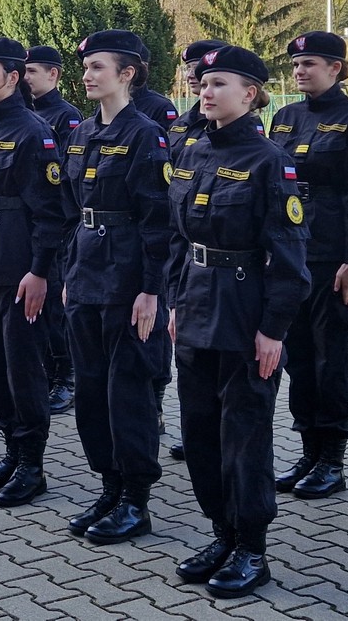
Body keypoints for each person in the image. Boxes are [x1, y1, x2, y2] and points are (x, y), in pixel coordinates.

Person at [166, 44, 309, 598]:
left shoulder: (270, 161)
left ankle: (252, 547)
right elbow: (179, 240)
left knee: (243, 435)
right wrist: (176, 302)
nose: (206, 90)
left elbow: (292, 259)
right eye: (203, 83)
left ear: (250, 94)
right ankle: (221, 532)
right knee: (199, 431)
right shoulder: (195, 150)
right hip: (197, 304)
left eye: (219, 83)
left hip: (245, 308)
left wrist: (273, 329)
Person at [60, 30, 172, 545]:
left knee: (126, 390)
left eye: (99, 66)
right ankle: (108, 485)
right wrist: (68, 274)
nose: (88, 74)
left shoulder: (146, 134)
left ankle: (136, 498)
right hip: (87, 272)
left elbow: (158, 220)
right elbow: (69, 211)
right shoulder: (81, 132)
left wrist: (151, 290)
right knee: (90, 391)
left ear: (127, 74)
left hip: (128, 278)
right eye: (85, 66)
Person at [268, 32, 348, 499]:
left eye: (310, 63)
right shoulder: (285, 117)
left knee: (330, 357)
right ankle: (308, 451)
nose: (300, 71)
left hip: (332, 254)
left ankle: (332, 458)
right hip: (290, 253)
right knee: (298, 357)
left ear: (336, 68)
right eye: (295, 64)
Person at [0, 37, 65, 508]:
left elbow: (52, 212)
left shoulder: (33, 131)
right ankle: (10, 449)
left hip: (19, 265)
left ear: (13, 77)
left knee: (22, 367)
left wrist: (40, 271)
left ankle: (32, 464)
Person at [162, 38, 227, 461]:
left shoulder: (241, 137)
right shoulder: (182, 128)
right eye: (189, 67)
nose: (193, 76)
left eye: (201, 69)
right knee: (193, 369)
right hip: (190, 267)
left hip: (232, 271)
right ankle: (198, 434)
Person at [25, 45, 83, 415]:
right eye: (24, 71)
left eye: (33, 71)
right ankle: (45, 372)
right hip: (25, 225)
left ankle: (66, 377)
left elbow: (61, 179)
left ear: (53, 75)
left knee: (54, 306)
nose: (26, 77)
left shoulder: (66, 116)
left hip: (57, 225)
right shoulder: (24, 114)